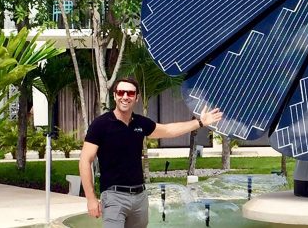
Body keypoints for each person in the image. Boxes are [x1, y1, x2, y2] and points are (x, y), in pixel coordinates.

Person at [79, 77, 223, 227]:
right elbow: (85, 160)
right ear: (115, 95)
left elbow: (168, 130)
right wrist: (91, 198)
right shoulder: (101, 124)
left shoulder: (141, 123)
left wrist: (200, 122)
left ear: (136, 98)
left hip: (140, 197)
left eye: (130, 93)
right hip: (113, 196)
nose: (125, 97)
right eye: (121, 92)